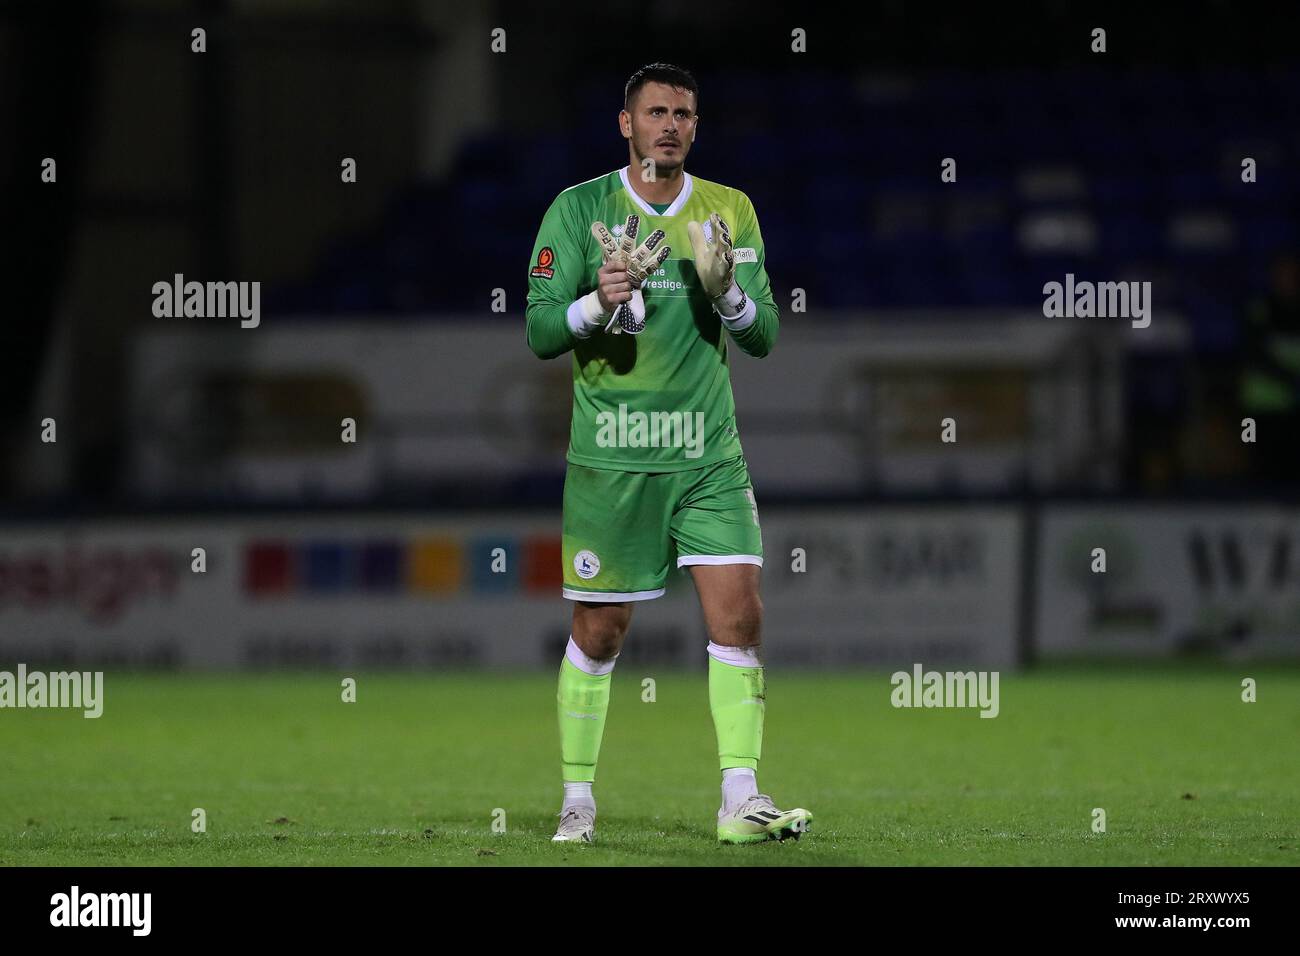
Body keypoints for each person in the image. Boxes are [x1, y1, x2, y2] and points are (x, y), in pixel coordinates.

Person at [524, 63, 812, 844]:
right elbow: (541, 330)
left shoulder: (729, 211)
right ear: (627, 124)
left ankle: (740, 799)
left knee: (740, 614)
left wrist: (727, 294)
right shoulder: (578, 208)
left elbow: (764, 337)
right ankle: (577, 801)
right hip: (613, 460)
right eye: (655, 112)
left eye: (684, 113)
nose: (670, 126)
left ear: (696, 125)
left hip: (707, 455)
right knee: (600, 631)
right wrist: (599, 300)